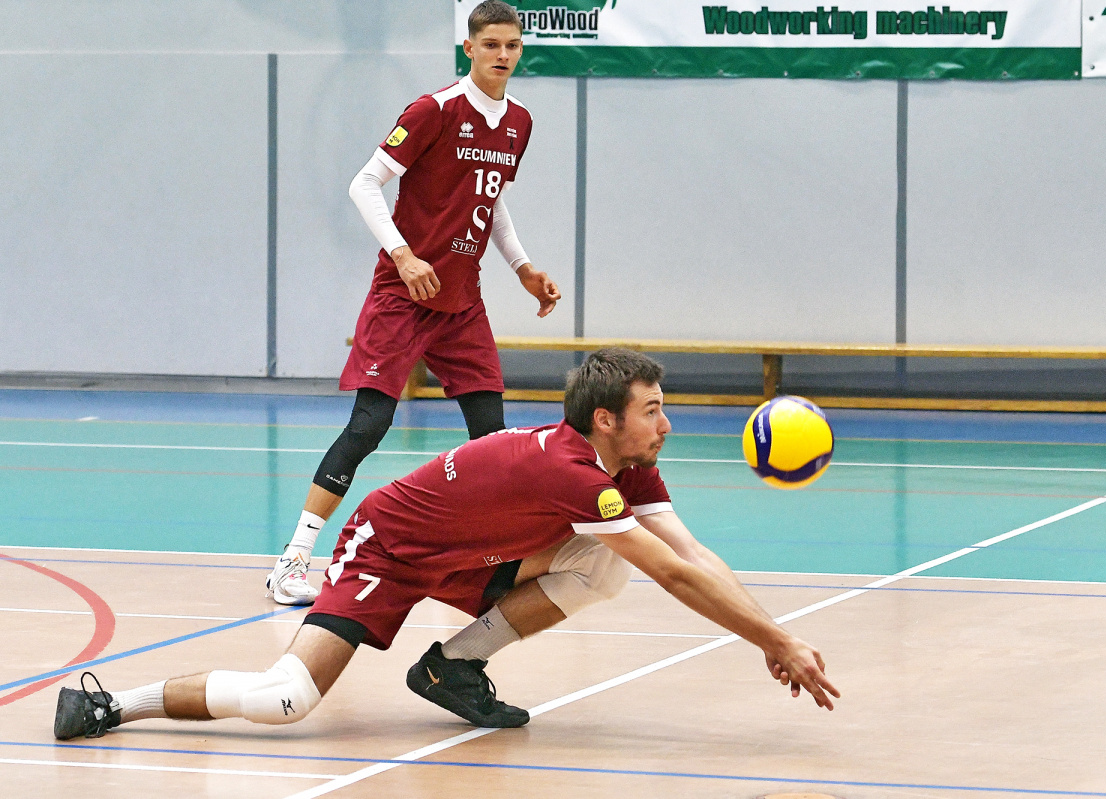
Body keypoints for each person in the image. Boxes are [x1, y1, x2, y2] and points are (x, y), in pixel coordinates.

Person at [54, 349, 839, 741]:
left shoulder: (624, 469)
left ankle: (451, 665)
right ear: (606, 419)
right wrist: (775, 641)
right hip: (387, 548)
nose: (667, 423)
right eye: (654, 409)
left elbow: (692, 555)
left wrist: (775, 634)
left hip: (474, 555)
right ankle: (111, 703)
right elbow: (676, 576)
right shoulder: (574, 474)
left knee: (605, 560)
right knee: (285, 700)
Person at [265, 0, 561, 605]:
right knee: (369, 425)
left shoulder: (519, 121)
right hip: (404, 295)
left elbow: (491, 200)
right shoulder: (435, 109)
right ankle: (292, 560)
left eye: (512, 45)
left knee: (489, 438)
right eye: (491, 44)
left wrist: (523, 267)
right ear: (469, 48)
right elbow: (364, 183)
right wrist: (403, 254)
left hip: (463, 300)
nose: (503, 55)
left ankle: (474, 564)